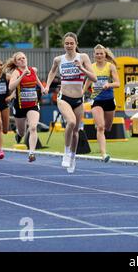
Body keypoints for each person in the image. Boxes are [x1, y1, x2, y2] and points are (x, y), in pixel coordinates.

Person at [44, 32, 97, 173]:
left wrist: (82, 68)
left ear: (76, 44)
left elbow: (94, 77)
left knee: (76, 131)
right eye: (66, 43)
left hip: (79, 100)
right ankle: (66, 152)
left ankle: (73, 157)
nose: (69, 45)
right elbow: (51, 72)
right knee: (71, 122)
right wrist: (47, 86)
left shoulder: (83, 57)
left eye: (71, 43)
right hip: (64, 98)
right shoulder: (58, 59)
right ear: (63, 44)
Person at [82, 44, 120, 162]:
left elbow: (117, 83)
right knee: (100, 127)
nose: (99, 55)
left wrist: (109, 84)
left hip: (109, 99)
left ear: (105, 55)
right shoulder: (91, 67)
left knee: (107, 126)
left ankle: (100, 126)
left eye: (101, 53)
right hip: (96, 99)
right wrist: (82, 92)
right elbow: (89, 79)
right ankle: (103, 154)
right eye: (97, 54)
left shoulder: (110, 67)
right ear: (94, 55)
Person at [7, 52, 46, 162]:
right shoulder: (16, 72)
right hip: (19, 106)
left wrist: (42, 88)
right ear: (16, 62)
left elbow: (37, 80)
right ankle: (18, 135)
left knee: (33, 127)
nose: (22, 60)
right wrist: (23, 75)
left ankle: (32, 153)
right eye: (19, 59)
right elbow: (11, 87)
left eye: (23, 58)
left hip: (32, 105)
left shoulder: (32, 70)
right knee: (22, 132)